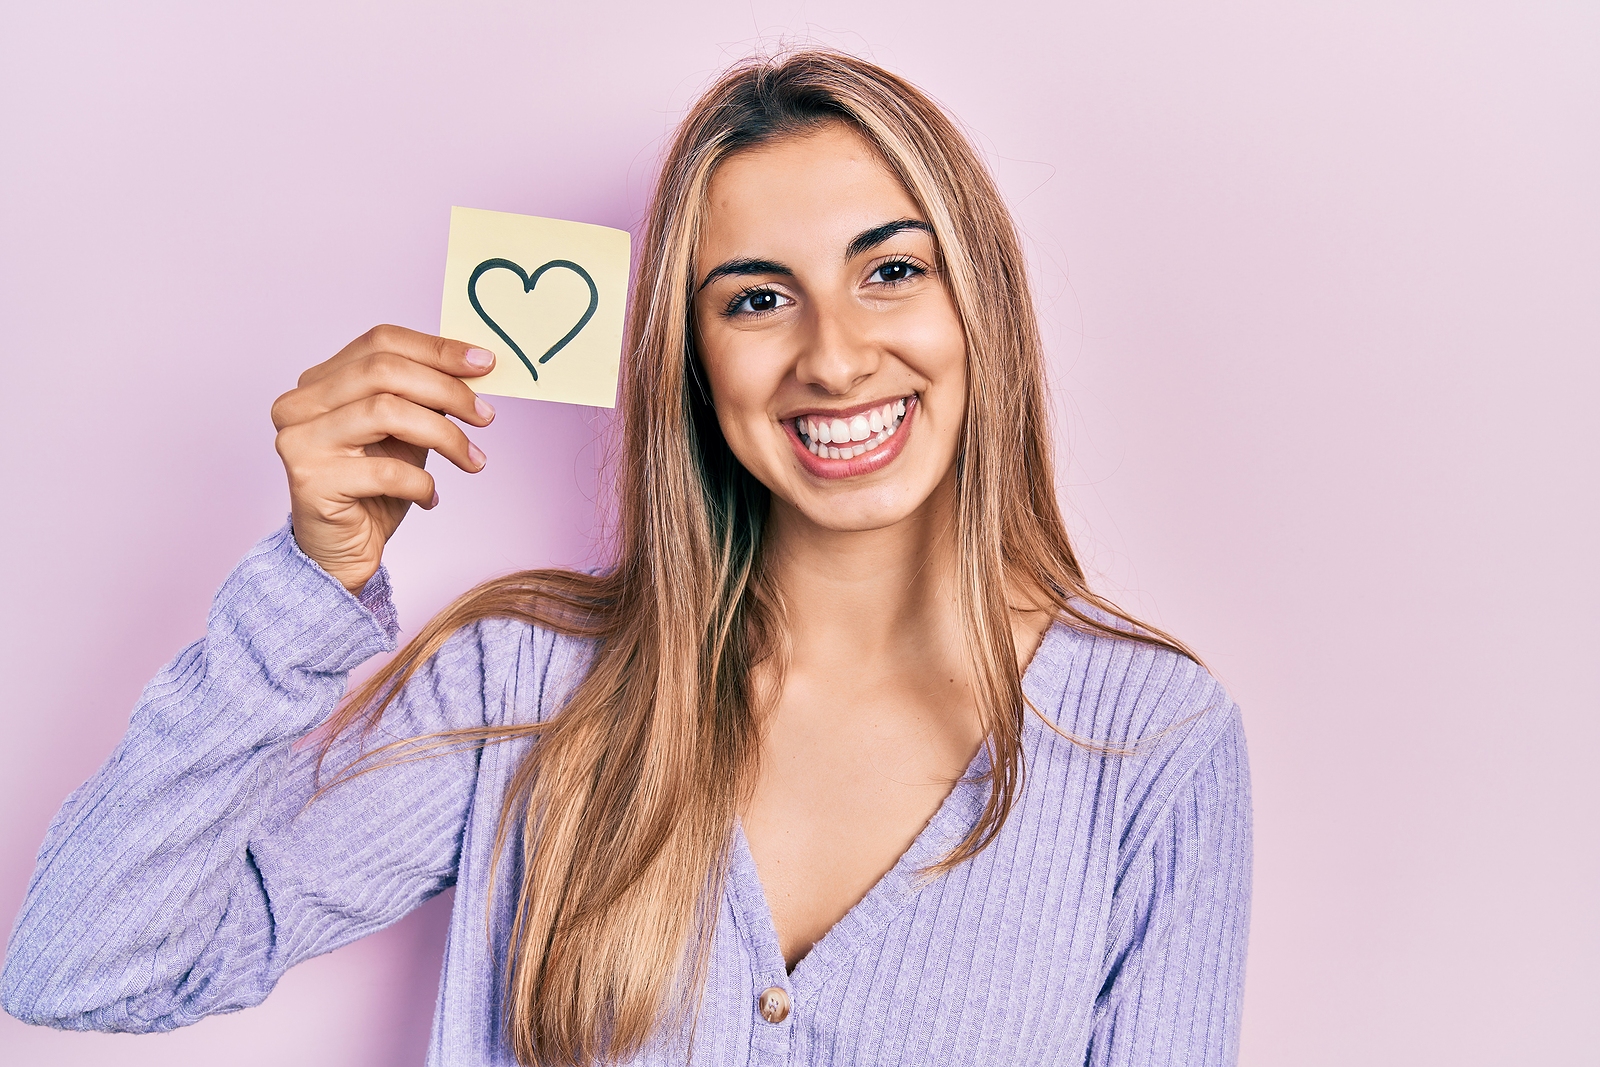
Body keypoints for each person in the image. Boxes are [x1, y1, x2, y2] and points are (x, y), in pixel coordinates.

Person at [0, 51, 1251, 1066]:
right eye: (757, 298)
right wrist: (304, 587)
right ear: (693, 364)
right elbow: (88, 962)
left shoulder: (1148, 742)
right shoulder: (530, 689)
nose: (832, 355)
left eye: (890, 271)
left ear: (979, 301)